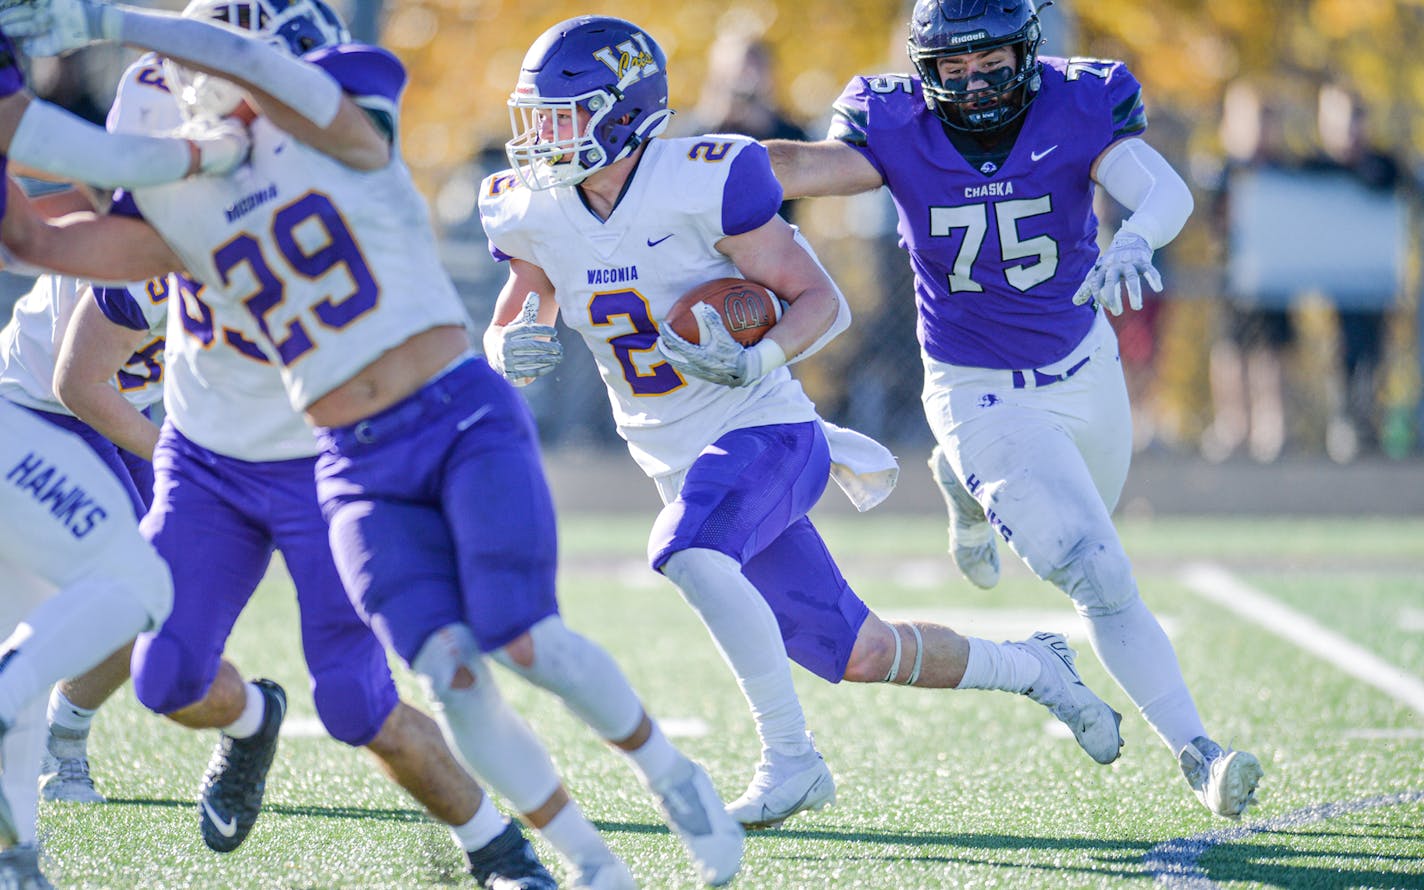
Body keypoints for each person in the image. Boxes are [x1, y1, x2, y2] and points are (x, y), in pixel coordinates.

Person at [3, 0, 744, 885]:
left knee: (515, 641)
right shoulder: (188, 199)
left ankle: (662, 783)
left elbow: (269, 91)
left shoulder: (347, 126)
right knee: (443, 680)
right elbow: (61, 205)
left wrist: (109, 18)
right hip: (343, 457)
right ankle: (587, 862)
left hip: (448, 416)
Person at [481, 14, 1125, 834]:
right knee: (861, 651)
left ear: (621, 113)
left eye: (564, 115)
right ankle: (1037, 667)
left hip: (764, 430)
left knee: (689, 552)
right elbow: (517, 311)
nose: (545, 136)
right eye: (539, 117)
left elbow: (822, 298)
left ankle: (792, 763)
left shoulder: (704, 179)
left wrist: (756, 360)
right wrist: (509, 346)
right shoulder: (528, 207)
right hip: (675, 457)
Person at [763, 0, 1264, 818]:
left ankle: (965, 489)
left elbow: (1158, 190)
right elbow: (795, 170)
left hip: (1083, 365)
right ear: (925, 70)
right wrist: (675, 173)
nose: (974, 82)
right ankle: (1198, 753)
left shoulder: (1081, 100)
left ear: (1027, 51)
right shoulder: (893, 120)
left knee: (1093, 531)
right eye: (952, 68)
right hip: (976, 385)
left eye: (990, 61)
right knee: (1097, 571)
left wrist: (1136, 239)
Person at [0, 271, 166, 805]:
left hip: (123, 402)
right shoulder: (134, 233)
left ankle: (62, 731)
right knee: (138, 585)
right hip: (43, 408)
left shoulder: (235, 228)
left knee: (165, 585)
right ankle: (55, 740)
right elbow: (71, 381)